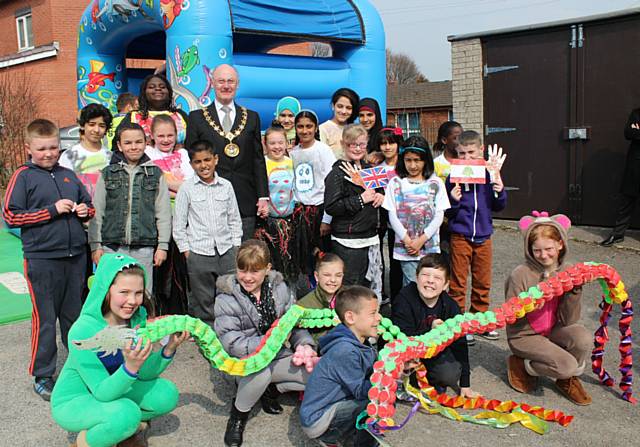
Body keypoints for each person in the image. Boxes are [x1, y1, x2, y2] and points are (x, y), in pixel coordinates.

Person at [51, 254, 188, 447]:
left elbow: (146, 372)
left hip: (117, 386)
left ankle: (124, 429)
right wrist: (130, 368)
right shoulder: (83, 331)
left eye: (138, 293)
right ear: (106, 290)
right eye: (124, 292)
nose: (132, 301)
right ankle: (85, 442)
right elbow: (101, 392)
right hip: (76, 399)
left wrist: (169, 348)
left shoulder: (137, 317)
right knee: (126, 413)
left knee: (166, 394)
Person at [2, 119, 94, 400]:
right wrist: (51, 211)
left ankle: (82, 368)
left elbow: (89, 207)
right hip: (42, 259)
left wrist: (83, 211)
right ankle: (43, 374)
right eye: (42, 149)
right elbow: (10, 216)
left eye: (53, 147)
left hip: (75, 256)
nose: (49, 153)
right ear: (29, 148)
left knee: (74, 318)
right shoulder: (23, 176)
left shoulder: (68, 174)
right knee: (45, 319)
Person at [214, 240, 315, 446]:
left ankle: (272, 391)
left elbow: (294, 325)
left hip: (275, 355)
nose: (247, 277)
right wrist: (272, 341)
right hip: (242, 362)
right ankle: (238, 416)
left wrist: (304, 345)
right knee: (260, 370)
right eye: (242, 270)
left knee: (316, 371)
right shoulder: (226, 298)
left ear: (267, 269)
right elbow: (232, 343)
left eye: (255, 271)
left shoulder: (281, 289)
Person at [505, 212, 592, 405]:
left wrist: (575, 290)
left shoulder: (567, 270)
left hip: (552, 329)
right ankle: (523, 364)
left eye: (549, 249)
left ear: (560, 244)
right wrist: (528, 305)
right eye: (537, 251)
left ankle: (565, 379)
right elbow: (509, 317)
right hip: (524, 335)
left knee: (583, 338)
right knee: (567, 365)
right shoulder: (520, 274)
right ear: (530, 249)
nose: (543, 255)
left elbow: (569, 320)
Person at [185, 64, 268, 240]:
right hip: (209, 200)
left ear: (237, 84)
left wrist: (263, 196)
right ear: (212, 83)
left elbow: (258, 160)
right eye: (221, 81)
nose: (226, 85)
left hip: (245, 199)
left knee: (244, 256)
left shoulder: (252, 117)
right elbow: (190, 161)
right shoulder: (196, 118)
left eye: (231, 81)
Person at [89, 122, 172, 294]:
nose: (133, 147)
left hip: (144, 248)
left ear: (146, 143)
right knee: (112, 293)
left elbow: (163, 213)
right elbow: (97, 212)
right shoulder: (107, 173)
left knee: (143, 294)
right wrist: (95, 245)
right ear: (119, 145)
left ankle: (142, 322)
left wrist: (162, 246)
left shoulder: (156, 174)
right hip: (111, 247)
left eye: (138, 142)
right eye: (128, 143)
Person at [445, 130, 506, 344]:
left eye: (471, 153)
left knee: (482, 282)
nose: (466, 158)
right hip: (460, 236)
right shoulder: (453, 177)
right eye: (461, 154)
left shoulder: (489, 174)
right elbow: (448, 211)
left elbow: (499, 206)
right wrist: (453, 200)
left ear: (481, 150)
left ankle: (479, 321)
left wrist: (499, 188)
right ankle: (459, 325)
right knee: (458, 283)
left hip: (484, 236)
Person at [299, 285, 380, 447]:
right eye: (373, 313)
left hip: (332, 406)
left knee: (379, 397)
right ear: (350, 318)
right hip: (318, 419)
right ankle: (331, 437)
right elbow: (361, 390)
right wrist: (387, 380)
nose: (379, 318)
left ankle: (350, 434)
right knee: (374, 402)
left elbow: (371, 371)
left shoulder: (359, 340)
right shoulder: (345, 351)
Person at [173, 140, 242, 327]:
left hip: (226, 249)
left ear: (216, 159)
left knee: (230, 292)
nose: (203, 165)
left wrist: (235, 245)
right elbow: (179, 224)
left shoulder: (226, 186)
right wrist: (187, 251)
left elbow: (234, 217)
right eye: (198, 162)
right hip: (199, 252)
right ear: (191, 164)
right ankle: (208, 333)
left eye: (207, 160)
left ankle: (231, 328)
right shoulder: (187, 189)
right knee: (203, 297)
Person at [392, 254, 479, 397]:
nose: (430, 281)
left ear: (445, 285)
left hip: (434, 353)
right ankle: (408, 381)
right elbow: (401, 337)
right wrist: (430, 332)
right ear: (416, 277)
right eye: (425, 275)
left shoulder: (451, 307)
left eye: (437, 278)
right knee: (394, 366)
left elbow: (460, 345)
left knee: (449, 374)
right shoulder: (404, 299)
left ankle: (433, 381)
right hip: (407, 352)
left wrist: (465, 384)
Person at [383, 136, 450, 285]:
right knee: (411, 284)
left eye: (417, 160)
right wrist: (408, 241)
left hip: (429, 246)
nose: (413, 165)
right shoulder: (395, 183)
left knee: (429, 284)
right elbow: (392, 214)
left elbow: (439, 215)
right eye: (408, 160)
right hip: (406, 248)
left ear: (425, 160)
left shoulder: (435, 182)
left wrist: (421, 240)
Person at [324, 124, 384, 288]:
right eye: (352, 144)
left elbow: (380, 193)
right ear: (344, 144)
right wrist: (359, 200)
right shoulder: (337, 172)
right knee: (349, 288)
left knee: (368, 286)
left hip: (370, 237)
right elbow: (331, 206)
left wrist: (380, 196)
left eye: (361, 144)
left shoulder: (370, 169)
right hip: (348, 241)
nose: (357, 148)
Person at [290, 110, 336, 285]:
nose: (304, 130)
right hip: (300, 213)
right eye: (300, 126)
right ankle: (311, 291)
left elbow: (332, 185)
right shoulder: (293, 153)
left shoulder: (323, 150)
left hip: (320, 211)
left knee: (321, 257)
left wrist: (327, 219)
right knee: (306, 257)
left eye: (308, 126)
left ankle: (326, 295)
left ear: (315, 128)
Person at [257, 125, 299, 285]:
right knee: (271, 263)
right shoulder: (262, 163)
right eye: (272, 143)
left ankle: (291, 296)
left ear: (287, 143)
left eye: (280, 142)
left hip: (290, 221)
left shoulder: (292, 162)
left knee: (290, 262)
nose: (277, 147)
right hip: (268, 224)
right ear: (265, 144)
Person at [371, 127, 404, 300]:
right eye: (383, 143)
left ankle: (399, 296)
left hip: (401, 219)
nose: (387, 147)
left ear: (398, 144)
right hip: (382, 216)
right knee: (379, 257)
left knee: (396, 258)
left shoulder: (405, 166)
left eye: (391, 143)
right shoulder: (377, 168)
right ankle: (382, 292)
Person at [601, 108, 640, 246]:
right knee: (627, 201)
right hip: (635, 166)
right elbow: (628, 132)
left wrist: (638, 130)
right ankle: (617, 235)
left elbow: (635, 132)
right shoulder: (637, 113)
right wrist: (634, 130)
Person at [59, 103, 113, 198]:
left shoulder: (111, 157)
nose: (96, 130)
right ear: (83, 126)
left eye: (102, 126)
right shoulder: (69, 156)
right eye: (92, 124)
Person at [123, 74, 188, 147]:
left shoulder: (180, 115)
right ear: (144, 92)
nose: (158, 89)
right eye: (151, 87)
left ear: (169, 92)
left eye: (162, 87)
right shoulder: (132, 117)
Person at [145, 114, 194, 199]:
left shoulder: (182, 154)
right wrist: (178, 191)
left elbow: (190, 186)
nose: (166, 140)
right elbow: (147, 187)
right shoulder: (147, 153)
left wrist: (161, 183)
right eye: (161, 136)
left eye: (170, 135)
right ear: (152, 135)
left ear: (176, 135)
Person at [298, 252, 345, 341]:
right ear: (316, 276)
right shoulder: (303, 305)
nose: (333, 280)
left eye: (338, 275)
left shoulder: (351, 299)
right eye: (327, 275)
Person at [319, 88, 360, 159]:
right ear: (333, 106)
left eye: (348, 108)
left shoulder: (356, 129)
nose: (344, 111)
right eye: (340, 106)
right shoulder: (323, 129)